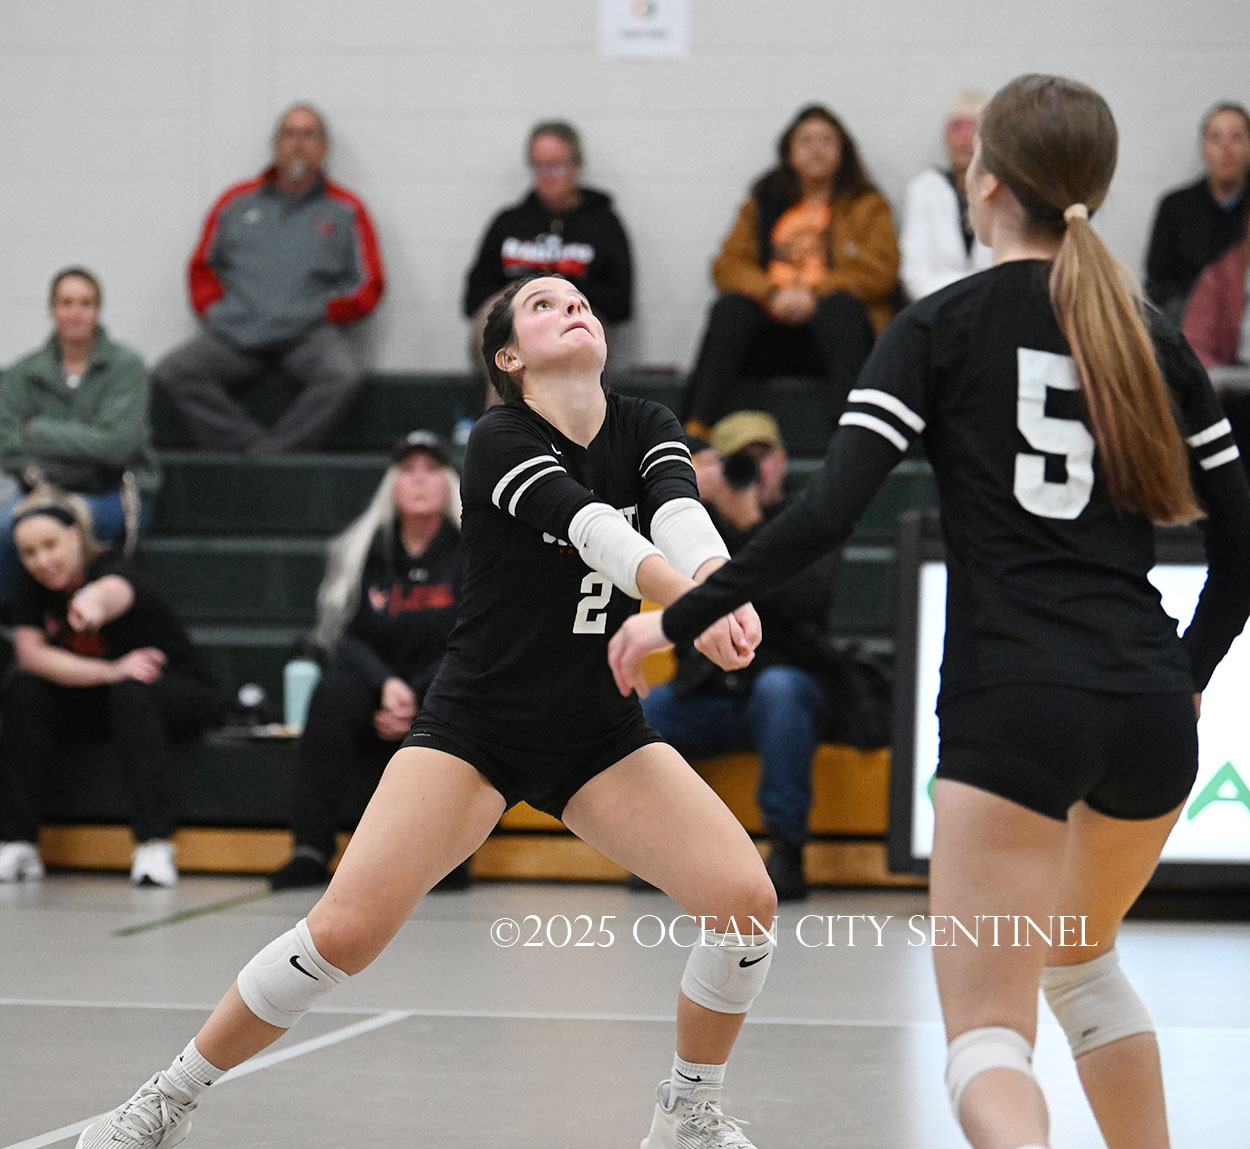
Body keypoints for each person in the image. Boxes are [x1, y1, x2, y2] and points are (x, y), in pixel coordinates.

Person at [611, 75, 1250, 1149]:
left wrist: (673, 618)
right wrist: (1187, 673)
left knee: (985, 1038)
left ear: (985, 180)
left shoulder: (941, 324)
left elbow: (825, 515)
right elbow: (1240, 545)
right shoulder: (1150, 335)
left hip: (1014, 700)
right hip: (1146, 701)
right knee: (1084, 965)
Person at [77, 273, 777, 1149]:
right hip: (475, 728)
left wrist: (718, 586)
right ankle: (166, 1099)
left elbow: (681, 519)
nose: (573, 306)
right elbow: (595, 530)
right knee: (343, 931)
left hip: (598, 734)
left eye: (579, 299)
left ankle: (688, 1114)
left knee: (744, 900)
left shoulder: (648, 424)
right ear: (509, 357)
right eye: (544, 303)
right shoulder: (498, 439)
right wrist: (692, 607)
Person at [642, 421, 889, 901]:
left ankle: (787, 851)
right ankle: (660, 854)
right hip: (715, 691)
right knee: (647, 714)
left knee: (780, 691)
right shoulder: (696, 529)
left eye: (762, 455)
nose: (752, 469)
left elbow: (805, 598)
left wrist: (751, 524)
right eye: (738, 459)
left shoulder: (807, 517)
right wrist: (696, 503)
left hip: (795, 689)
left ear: (781, 460)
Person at [269, 429, 466, 892]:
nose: (419, 480)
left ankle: (448, 857)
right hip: (377, 685)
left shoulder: (472, 552)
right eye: (408, 470)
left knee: (461, 700)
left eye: (431, 469)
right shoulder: (365, 550)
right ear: (391, 485)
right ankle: (310, 849)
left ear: (449, 483)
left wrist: (416, 693)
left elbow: (475, 641)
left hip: (444, 684)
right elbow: (345, 636)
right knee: (332, 692)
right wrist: (387, 686)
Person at [0, 489, 222, 887]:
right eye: (29, 553)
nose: (42, 561)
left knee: (131, 693)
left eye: (50, 546)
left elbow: (113, 591)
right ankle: (19, 842)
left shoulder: (111, 566)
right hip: (107, 691)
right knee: (24, 689)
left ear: (74, 536)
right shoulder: (33, 587)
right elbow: (31, 656)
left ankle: (154, 842)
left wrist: (91, 604)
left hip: (176, 689)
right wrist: (111, 670)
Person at [154, 103, 385, 453]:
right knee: (174, 372)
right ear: (275, 145)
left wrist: (321, 310)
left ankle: (274, 456)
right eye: (289, 133)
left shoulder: (347, 210)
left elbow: (370, 283)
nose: (298, 142)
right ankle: (253, 453)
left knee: (343, 375)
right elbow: (201, 268)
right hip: (237, 335)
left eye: (309, 134)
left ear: (324, 148)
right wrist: (215, 311)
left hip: (307, 337)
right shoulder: (235, 203)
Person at [683, 103, 899, 432]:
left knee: (843, 308)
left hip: (835, 335)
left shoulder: (867, 205)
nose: (816, 148)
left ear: (843, 151)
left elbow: (881, 271)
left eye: (826, 140)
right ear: (789, 152)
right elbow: (727, 265)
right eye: (805, 140)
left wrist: (814, 292)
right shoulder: (763, 201)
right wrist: (772, 293)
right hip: (771, 329)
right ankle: (696, 430)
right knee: (729, 309)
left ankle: (851, 437)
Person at [0, 267, 160, 611]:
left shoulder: (126, 367)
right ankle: (16, 623)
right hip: (39, 487)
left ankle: (70, 621)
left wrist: (38, 432)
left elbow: (119, 445)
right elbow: (7, 443)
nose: (76, 313)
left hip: (114, 490)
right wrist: (85, 444)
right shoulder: (23, 373)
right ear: (52, 309)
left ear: (98, 310)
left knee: (57, 528)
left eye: (86, 303)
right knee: (7, 525)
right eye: (67, 303)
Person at [463, 120, 634, 378]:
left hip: (572, 319)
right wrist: (520, 294)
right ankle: (508, 403)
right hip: (515, 321)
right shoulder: (508, 222)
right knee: (498, 323)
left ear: (576, 165)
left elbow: (620, 304)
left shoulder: (603, 225)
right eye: (539, 166)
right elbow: (473, 297)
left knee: (565, 334)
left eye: (556, 166)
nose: (547, 175)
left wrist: (559, 290)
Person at [1145, 102, 1250, 322]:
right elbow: (1157, 281)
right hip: (1188, 328)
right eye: (1215, 138)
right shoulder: (1175, 207)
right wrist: (1194, 314)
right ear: (1203, 148)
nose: (1226, 149)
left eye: (1236, 137)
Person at [900, 90, 994, 302]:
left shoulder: (1006, 191)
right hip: (936, 308)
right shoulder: (924, 189)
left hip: (993, 306)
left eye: (975, 128)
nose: (964, 139)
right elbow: (914, 274)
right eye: (956, 128)